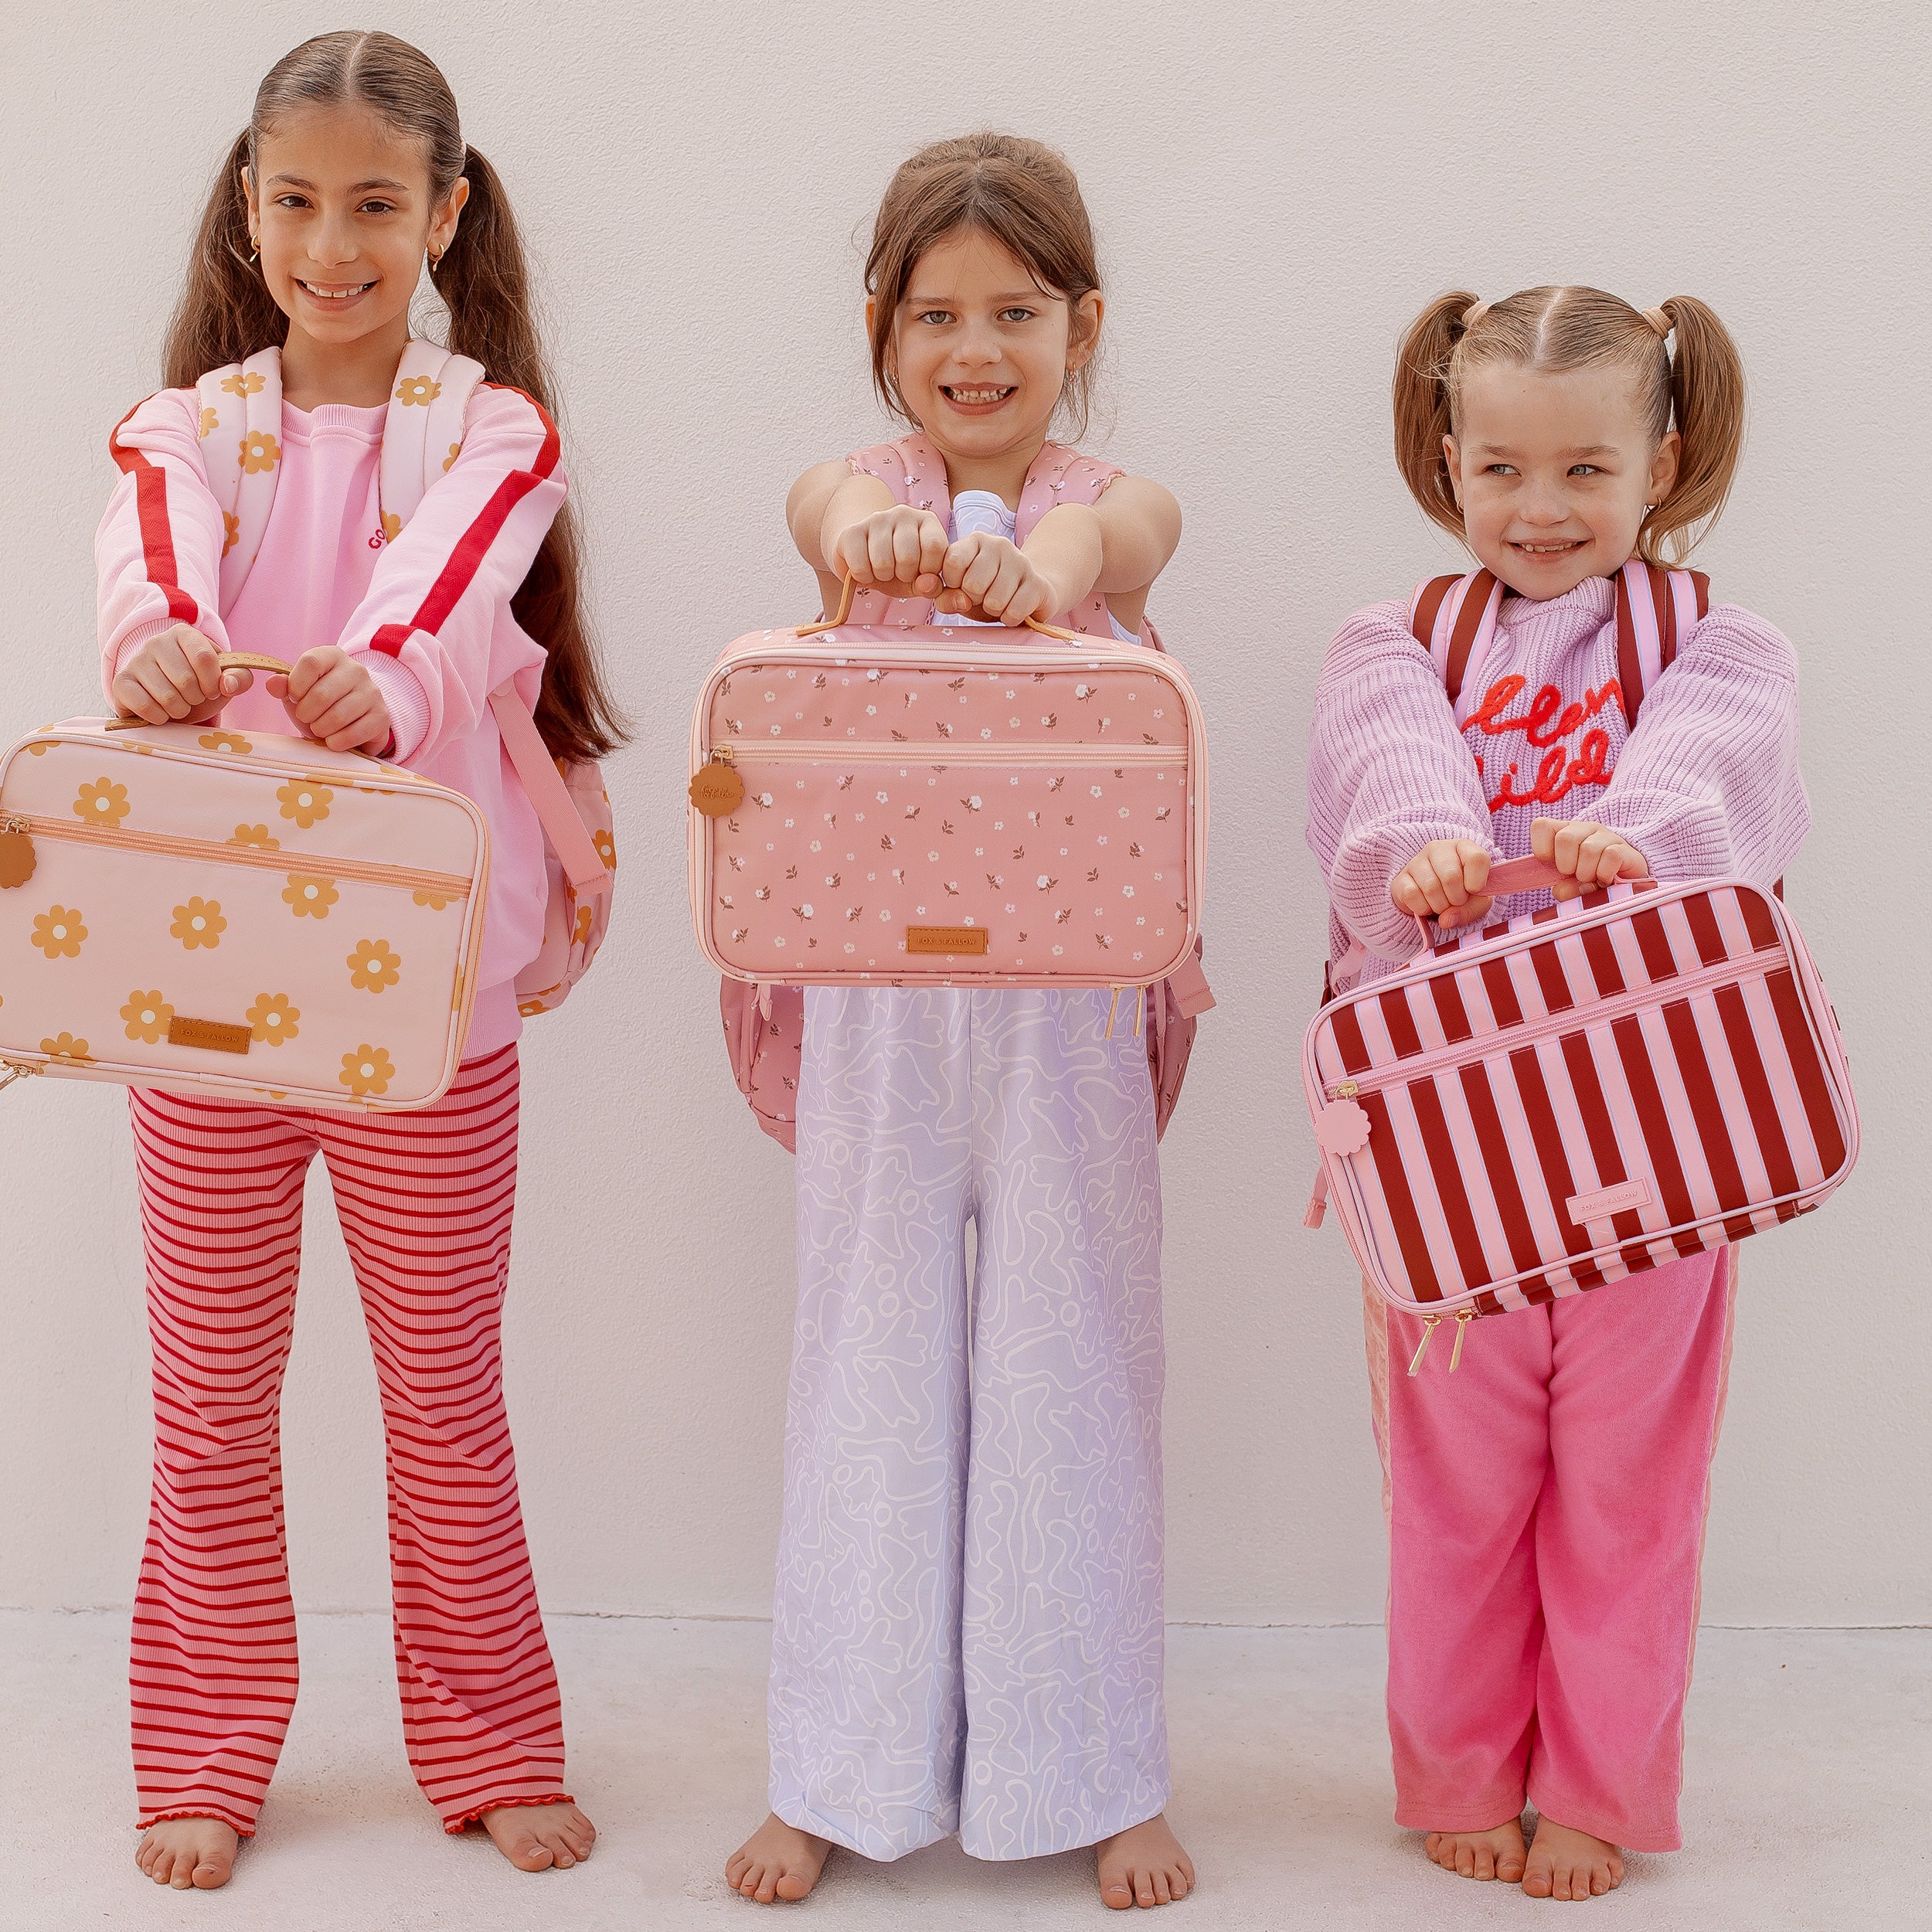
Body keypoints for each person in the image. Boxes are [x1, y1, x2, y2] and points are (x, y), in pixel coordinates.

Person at [96, 29, 621, 1891]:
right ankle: (204, 1750)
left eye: (377, 204)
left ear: (445, 214)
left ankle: (485, 1742)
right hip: (208, 999)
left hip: (426, 1006)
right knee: (211, 1398)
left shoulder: (486, 426)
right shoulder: (185, 429)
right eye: (298, 201)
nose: (335, 242)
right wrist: (160, 644)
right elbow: (146, 556)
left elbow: (454, 578)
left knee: (442, 1392)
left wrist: (383, 678)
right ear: (248, 208)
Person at [725, 133, 1193, 1913]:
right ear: (881, 326)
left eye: (1014, 309)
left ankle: (1094, 1767)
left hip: (1070, 994)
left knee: (1074, 1363)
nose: (974, 345)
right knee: (866, 1358)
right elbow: (826, 524)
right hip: (874, 992)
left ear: (1079, 322)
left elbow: (1110, 537)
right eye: (936, 312)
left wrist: (1046, 562)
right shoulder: (849, 490)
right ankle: (836, 1765)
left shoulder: (1116, 497)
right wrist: (890, 542)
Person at [1307, 285, 1805, 1900]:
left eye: (1583, 470)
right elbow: (1381, 775)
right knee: (1451, 1479)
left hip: (1656, 1136)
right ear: (1446, 459)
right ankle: (1455, 1760)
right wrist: (1433, 846)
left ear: (1660, 462)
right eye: (1499, 468)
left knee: (1628, 1482)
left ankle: (1596, 1783)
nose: (1537, 509)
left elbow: (1707, 779)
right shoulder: (1397, 639)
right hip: (1452, 1147)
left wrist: (1627, 838)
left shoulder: (1716, 641)